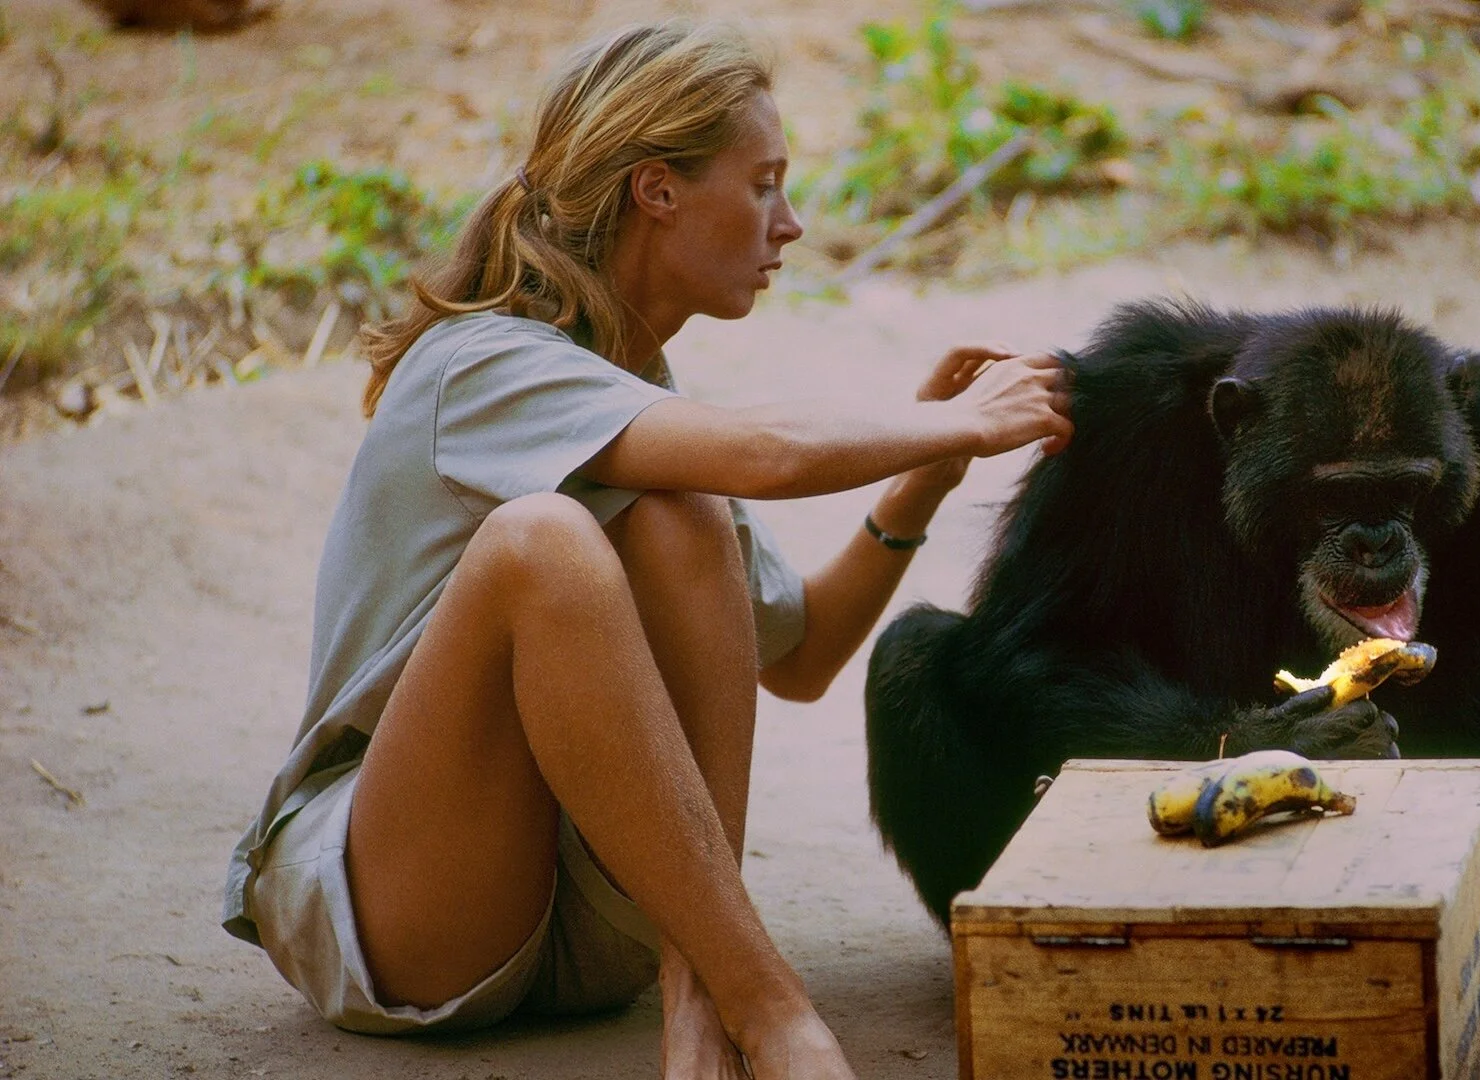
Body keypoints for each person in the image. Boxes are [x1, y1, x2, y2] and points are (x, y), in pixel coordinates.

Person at [219, 21, 1072, 1080]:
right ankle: (764, 1006)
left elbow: (798, 657)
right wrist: (962, 424)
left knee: (680, 515)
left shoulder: (642, 403)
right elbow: (763, 452)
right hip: (409, 917)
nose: (789, 223)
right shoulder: (478, 364)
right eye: (763, 185)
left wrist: (925, 478)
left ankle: (697, 990)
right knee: (544, 543)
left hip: (590, 927)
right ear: (656, 190)